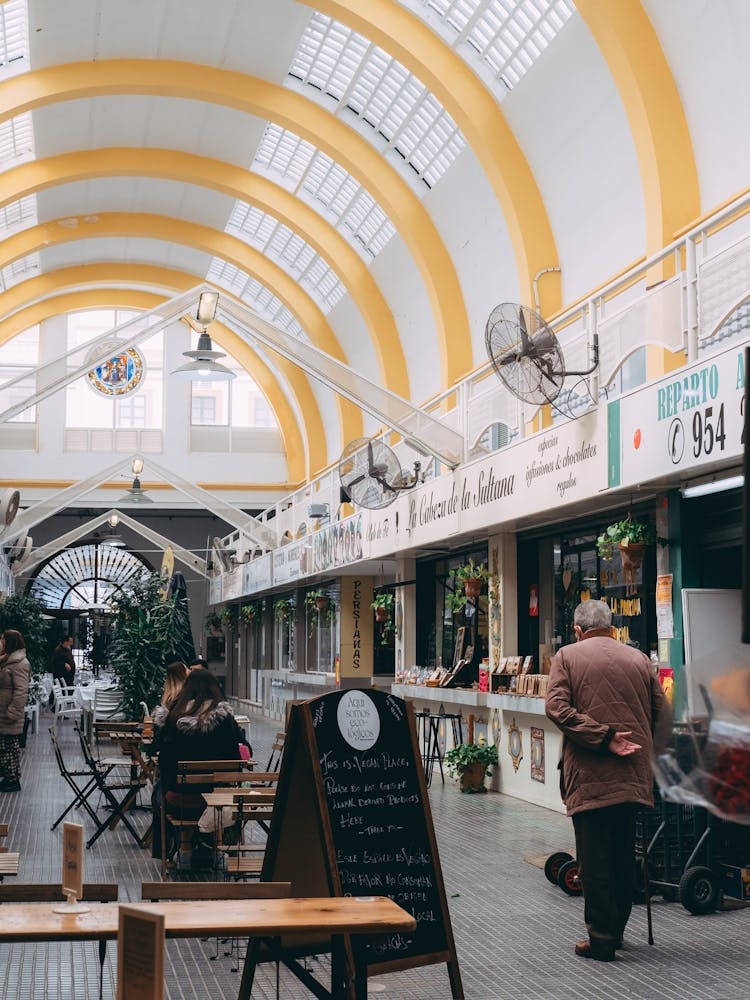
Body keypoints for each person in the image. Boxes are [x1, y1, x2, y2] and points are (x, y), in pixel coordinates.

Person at [545, 600, 672, 961]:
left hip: (590, 776)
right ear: (612, 627)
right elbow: (663, 716)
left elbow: (556, 708)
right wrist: (648, 755)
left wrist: (604, 737)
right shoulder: (639, 660)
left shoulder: (567, 656)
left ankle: (602, 939)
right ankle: (615, 932)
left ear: (577, 629)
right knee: (621, 856)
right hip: (632, 773)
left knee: (594, 862)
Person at [152, 669, 244, 865]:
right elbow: (234, 760)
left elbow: (164, 763)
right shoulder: (223, 720)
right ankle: (217, 849)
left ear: (186, 689)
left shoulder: (173, 717)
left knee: (160, 792)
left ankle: (181, 850)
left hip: (179, 801)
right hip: (215, 802)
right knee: (219, 795)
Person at [0, 629, 31, 793]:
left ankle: (12, 780)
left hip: (8, 714)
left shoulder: (19, 663)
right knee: (5, 747)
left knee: (9, 747)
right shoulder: (7, 660)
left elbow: (21, 691)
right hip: (3, 712)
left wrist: (12, 712)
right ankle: (8, 777)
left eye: (3, 640)